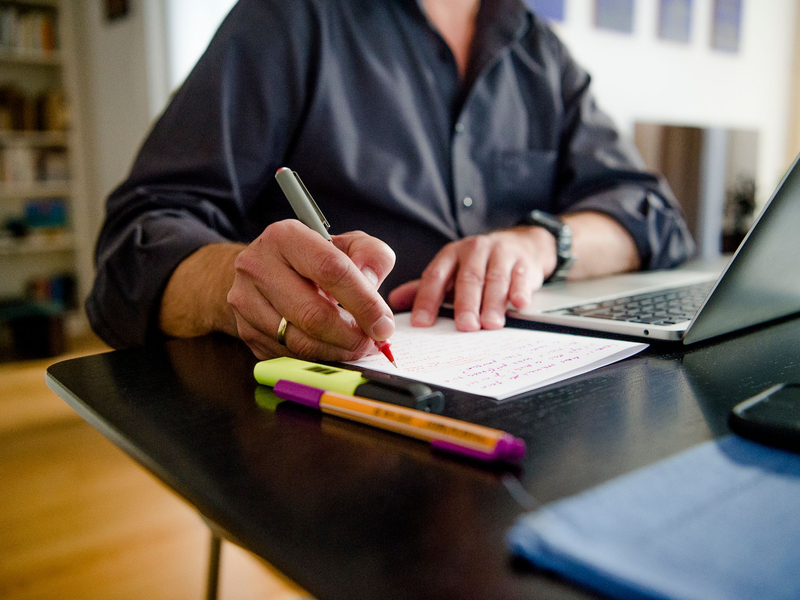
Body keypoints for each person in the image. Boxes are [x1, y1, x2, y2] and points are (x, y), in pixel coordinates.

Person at [87, 0, 694, 362]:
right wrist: (235, 281)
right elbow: (135, 242)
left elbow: (652, 213)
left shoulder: (542, 54)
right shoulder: (290, 18)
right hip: (335, 429)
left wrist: (540, 245)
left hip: (535, 397)